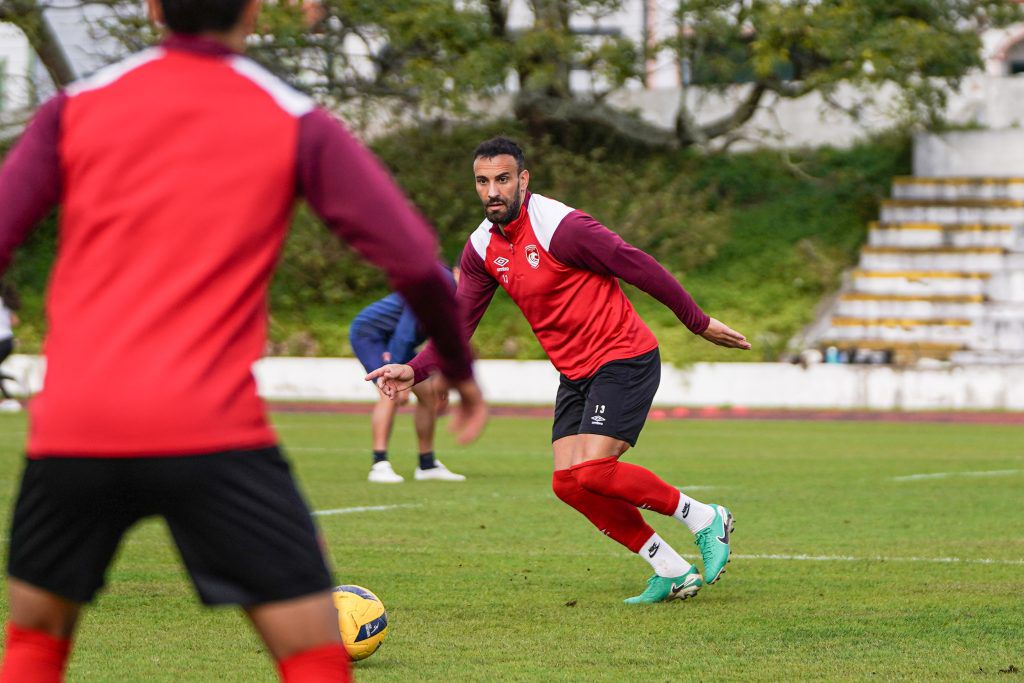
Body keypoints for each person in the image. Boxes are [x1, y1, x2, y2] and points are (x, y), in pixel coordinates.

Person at [0, 1, 486, 681]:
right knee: (313, 651)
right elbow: (412, 258)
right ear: (255, 11)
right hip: (210, 428)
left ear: (153, 7)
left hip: (77, 424)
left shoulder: (77, 104)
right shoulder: (294, 118)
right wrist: (459, 370)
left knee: (34, 643)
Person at [369, 136, 750, 605]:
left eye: (503, 180)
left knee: (594, 471)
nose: (493, 191)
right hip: (575, 373)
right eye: (483, 181)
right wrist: (415, 368)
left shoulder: (561, 227)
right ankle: (670, 569)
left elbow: (637, 264)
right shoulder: (481, 247)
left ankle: (703, 516)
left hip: (623, 357)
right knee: (568, 483)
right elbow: (459, 320)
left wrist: (697, 321)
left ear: (523, 181)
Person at [350, 274, 468, 484]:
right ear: (458, 269)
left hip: (396, 339)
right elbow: (405, 333)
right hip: (371, 335)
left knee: (429, 397)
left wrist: (442, 378)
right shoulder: (439, 282)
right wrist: (397, 371)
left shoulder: (457, 297)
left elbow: (440, 341)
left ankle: (427, 464)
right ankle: (379, 464)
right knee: (390, 393)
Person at [0, 281, 20, 412]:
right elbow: (15, 321)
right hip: (8, 340)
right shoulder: (5, 302)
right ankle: (8, 398)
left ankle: (9, 399)